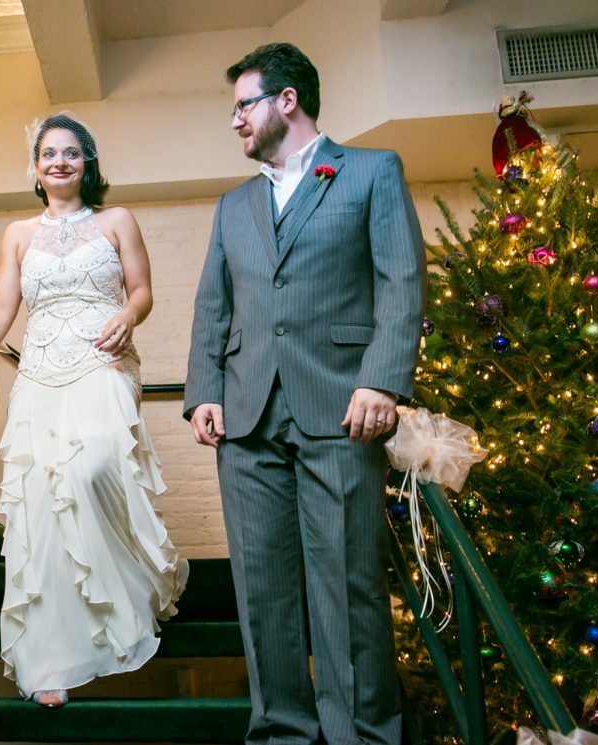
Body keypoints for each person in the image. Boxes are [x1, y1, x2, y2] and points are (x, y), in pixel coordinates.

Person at [184, 44, 425, 745]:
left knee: (348, 590)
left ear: (286, 101)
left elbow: (401, 279)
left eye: (243, 105)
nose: (234, 120)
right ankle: (283, 734)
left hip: (341, 411)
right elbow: (212, 307)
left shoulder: (372, 172)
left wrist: (382, 378)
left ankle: (364, 737)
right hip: (247, 421)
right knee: (263, 593)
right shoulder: (233, 207)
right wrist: (204, 390)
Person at [0, 112, 187, 708]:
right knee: (41, 502)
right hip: (39, 372)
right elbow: (0, 310)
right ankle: (51, 659)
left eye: (72, 152)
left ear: (87, 163)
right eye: (49, 153)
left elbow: (141, 290)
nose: (60, 161)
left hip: (102, 361)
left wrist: (128, 314)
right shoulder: (18, 233)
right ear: (36, 168)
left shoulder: (117, 220)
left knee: (91, 470)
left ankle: (130, 592)